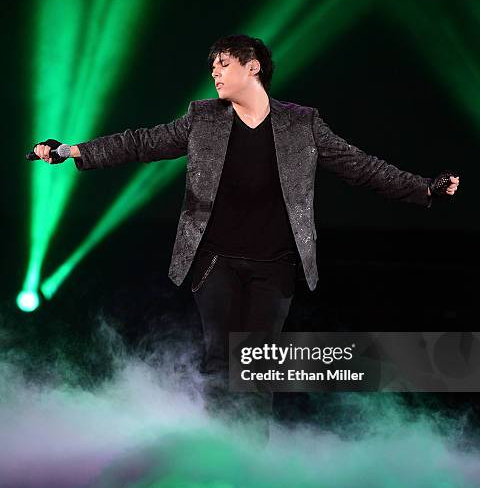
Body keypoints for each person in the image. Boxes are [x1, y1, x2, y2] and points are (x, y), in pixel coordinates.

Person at [32, 34, 460, 444]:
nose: (215, 73)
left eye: (223, 64)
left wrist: (423, 188)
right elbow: (144, 142)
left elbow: (360, 166)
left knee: (256, 365)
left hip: (274, 264)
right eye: (213, 66)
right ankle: (221, 458)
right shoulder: (203, 119)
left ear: (252, 67)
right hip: (214, 259)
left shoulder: (302, 124)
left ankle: (250, 462)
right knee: (221, 359)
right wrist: (74, 151)